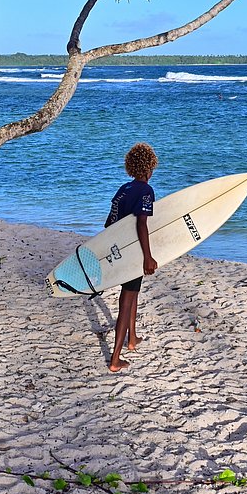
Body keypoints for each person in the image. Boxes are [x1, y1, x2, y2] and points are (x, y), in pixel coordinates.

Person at [105, 142, 158, 373]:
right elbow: (142, 223)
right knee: (126, 301)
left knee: (133, 293)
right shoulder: (146, 191)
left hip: (119, 248)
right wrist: (148, 256)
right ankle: (115, 360)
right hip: (133, 251)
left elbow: (109, 223)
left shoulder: (123, 189)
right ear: (149, 168)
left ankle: (132, 339)